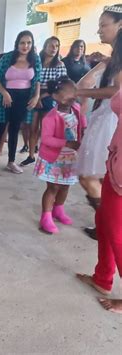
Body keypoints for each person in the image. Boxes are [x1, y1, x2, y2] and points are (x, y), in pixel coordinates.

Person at [77, 70, 122, 314]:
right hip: (114, 163)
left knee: (117, 232)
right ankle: (103, 277)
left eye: (104, 26)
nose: (100, 29)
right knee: (104, 223)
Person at [76, 7, 121, 240]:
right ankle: (105, 223)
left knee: (89, 176)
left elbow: (116, 90)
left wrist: (79, 92)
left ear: (119, 26)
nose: (100, 30)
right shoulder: (113, 57)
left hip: (113, 120)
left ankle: (108, 224)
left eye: (104, 25)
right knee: (104, 178)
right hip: (105, 116)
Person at [34, 77, 87, 234]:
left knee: (66, 186)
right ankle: (46, 216)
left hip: (70, 158)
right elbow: (47, 139)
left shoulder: (76, 109)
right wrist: (67, 143)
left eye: (74, 93)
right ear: (55, 96)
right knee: (53, 187)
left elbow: (82, 124)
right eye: (68, 93)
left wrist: (84, 132)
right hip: (54, 158)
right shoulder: (50, 117)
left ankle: (59, 209)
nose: (73, 96)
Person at [0, 30, 42, 174]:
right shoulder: (7, 58)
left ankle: (11, 161)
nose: (25, 46)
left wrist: (36, 97)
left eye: (29, 42)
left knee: (15, 129)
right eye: (22, 42)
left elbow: (38, 80)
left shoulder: (35, 59)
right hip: (5, 97)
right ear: (17, 43)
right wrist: (4, 93)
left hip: (24, 98)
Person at [21, 36, 68, 167]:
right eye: (51, 45)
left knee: (46, 130)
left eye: (56, 46)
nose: (54, 48)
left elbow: (61, 84)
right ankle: (31, 155)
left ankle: (44, 156)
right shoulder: (37, 62)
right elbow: (32, 80)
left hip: (50, 97)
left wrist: (41, 97)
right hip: (34, 96)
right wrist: (36, 97)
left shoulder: (59, 64)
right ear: (45, 46)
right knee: (33, 128)